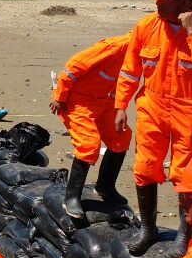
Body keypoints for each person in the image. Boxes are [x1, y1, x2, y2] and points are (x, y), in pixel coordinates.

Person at [113, 0, 192, 254]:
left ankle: (183, 236)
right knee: (144, 167)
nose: (157, 5)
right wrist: (120, 104)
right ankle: (148, 229)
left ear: (184, 0)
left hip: (189, 110)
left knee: (186, 174)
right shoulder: (146, 26)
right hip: (151, 105)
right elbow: (130, 70)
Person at [50, 32, 133, 218]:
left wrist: (120, 107)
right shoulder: (115, 47)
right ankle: (71, 198)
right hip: (78, 100)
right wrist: (59, 97)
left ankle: (105, 187)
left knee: (121, 136)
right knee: (88, 145)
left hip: (104, 100)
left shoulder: (145, 53)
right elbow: (73, 67)